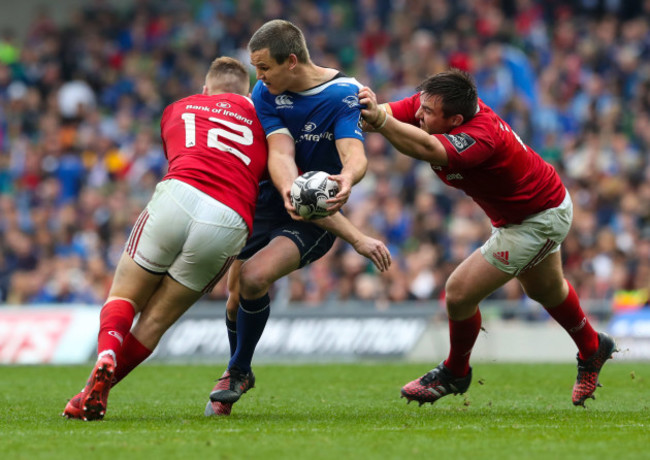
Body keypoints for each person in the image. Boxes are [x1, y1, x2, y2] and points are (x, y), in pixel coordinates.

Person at [358, 68, 617, 407]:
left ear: (455, 120)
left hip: (537, 219)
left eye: (428, 113)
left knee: (459, 292)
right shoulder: (439, 103)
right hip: (530, 208)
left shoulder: (480, 137)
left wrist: (378, 120)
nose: (418, 114)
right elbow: (391, 112)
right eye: (420, 107)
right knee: (545, 290)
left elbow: (425, 148)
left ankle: (455, 371)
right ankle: (593, 346)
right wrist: (362, 108)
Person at [62, 56, 270, 421]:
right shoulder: (265, 119)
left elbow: (181, 152)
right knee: (155, 322)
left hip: (181, 192)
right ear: (247, 92)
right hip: (229, 217)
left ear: (205, 89)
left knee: (125, 295)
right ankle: (88, 396)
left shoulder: (180, 107)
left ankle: (106, 354)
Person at [205, 19, 392, 416]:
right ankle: (239, 369)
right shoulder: (267, 93)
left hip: (315, 215)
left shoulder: (343, 94)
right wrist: (290, 189)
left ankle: (236, 370)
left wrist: (347, 178)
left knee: (255, 277)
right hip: (270, 201)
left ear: (291, 61)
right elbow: (280, 152)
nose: (259, 77)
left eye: (265, 67)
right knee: (234, 293)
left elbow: (354, 154)